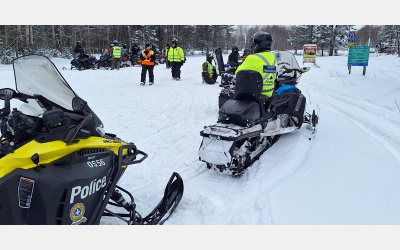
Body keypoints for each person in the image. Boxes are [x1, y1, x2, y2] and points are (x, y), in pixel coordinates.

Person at [235, 31, 277, 99]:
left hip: (255, 94)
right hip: (269, 94)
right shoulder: (273, 58)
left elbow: (238, 73)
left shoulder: (253, 57)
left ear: (257, 44)